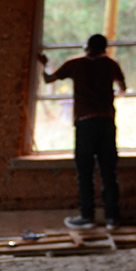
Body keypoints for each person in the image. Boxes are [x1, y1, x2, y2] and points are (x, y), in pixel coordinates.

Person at [37, 34, 128, 229]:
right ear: (105, 48)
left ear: (87, 47)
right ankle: (112, 218)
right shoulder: (111, 64)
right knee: (109, 172)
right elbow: (122, 89)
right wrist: (110, 96)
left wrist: (44, 64)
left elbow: (48, 79)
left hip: (85, 123)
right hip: (106, 121)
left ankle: (87, 217)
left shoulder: (75, 64)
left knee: (85, 172)